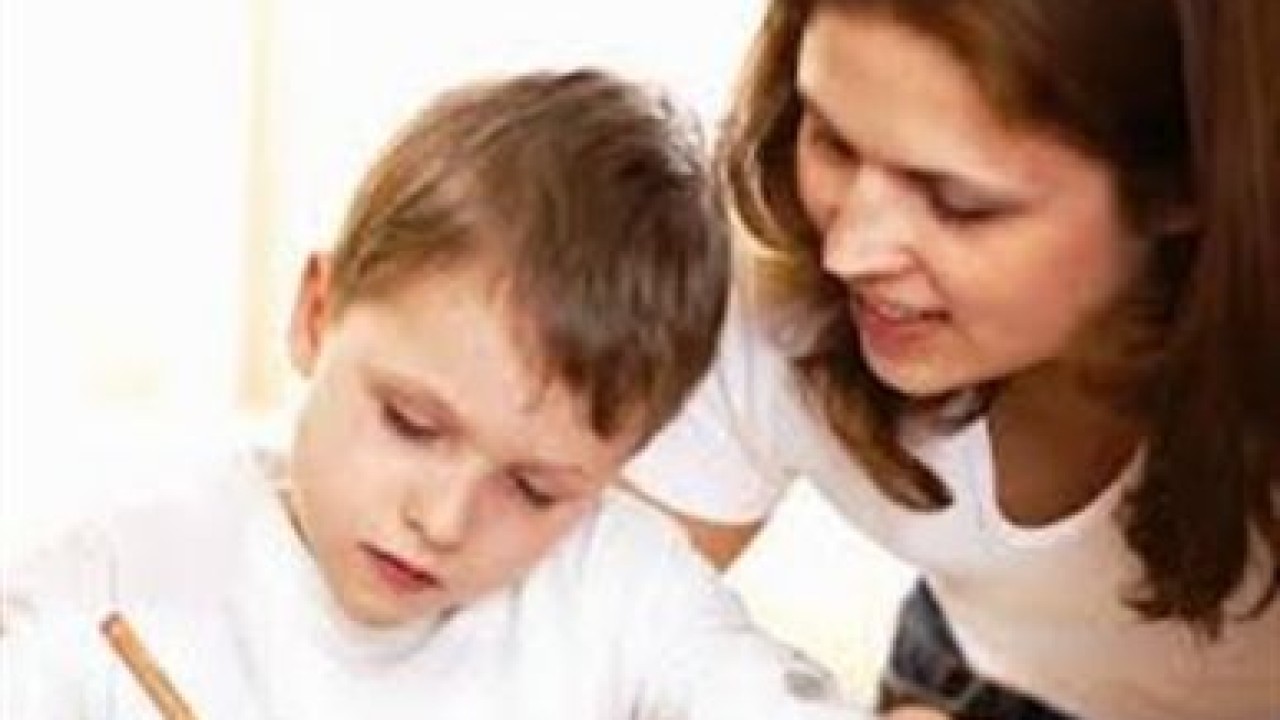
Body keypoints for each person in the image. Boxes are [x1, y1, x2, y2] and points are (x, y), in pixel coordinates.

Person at [1, 69, 869, 720]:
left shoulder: (622, 591)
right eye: (411, 424)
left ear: (622, 460)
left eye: (535, 488)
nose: (445, 521)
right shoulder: (115, 583)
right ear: (316, 314)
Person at [626, 1, 1279, 718]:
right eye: (833, 142)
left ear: (1187, 185)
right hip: (968, 673)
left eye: (958, 202)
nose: (848, 253)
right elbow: (587, 623)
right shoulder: (771, 296)